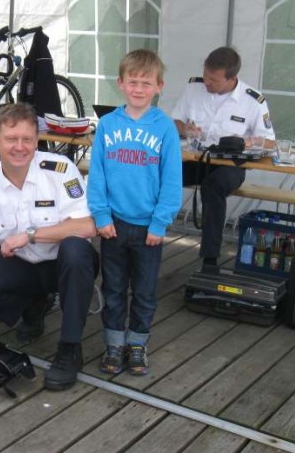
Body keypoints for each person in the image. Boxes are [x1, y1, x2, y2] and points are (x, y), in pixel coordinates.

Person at [0, 102, 98, 391]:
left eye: (27, 139)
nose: (20, 147)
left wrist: (33, 234)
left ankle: (70, 348)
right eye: (12, 139)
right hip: (24, 268)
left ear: (36, 141)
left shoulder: (60, 171)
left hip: (63, 263)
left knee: (76, 251)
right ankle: (33, 307)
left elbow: (88, 226)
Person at [88, 49, 182, 375]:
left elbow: (172, 181)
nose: (139, 88)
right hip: (113, 225)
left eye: (146, 83)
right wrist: (100, 216)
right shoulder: (108, 125)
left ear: (159, 86)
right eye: (133, 82)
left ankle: (137, 344)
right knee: (113, 288)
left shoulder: (165, 128)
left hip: (148, 230)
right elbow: (96, 174)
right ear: (121, 83)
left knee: (144, 292)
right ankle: (114, 344)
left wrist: (160, 222)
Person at [170, 47, 275, 266]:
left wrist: (250, 141)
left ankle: (209, 257)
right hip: (197, 158)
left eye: (214, 80)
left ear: (232, 78)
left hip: (231, 165)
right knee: (160, 173)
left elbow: (271, 142)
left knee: (214, 186)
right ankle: (144, 234)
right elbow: (175, 122)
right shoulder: (193, 88)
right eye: (206, 76)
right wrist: (185, 129)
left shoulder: (253, 101)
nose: (207, 83)